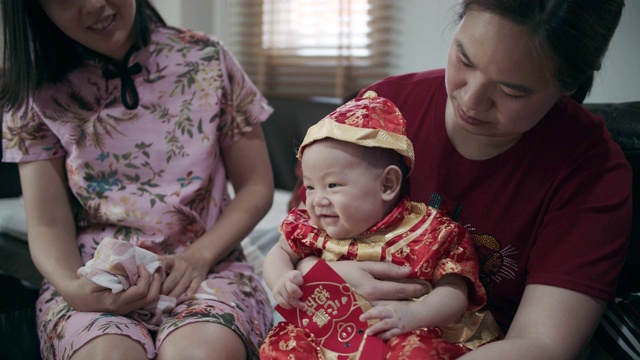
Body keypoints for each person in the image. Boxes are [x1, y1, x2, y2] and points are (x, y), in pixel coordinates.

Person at [291, 1, 633, 359]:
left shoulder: (591, 172)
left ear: (568, 85)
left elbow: (542, 343)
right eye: (464, 60)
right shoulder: (384, 109)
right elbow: (302, 234)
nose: (470, 99)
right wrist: (317, 272)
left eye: (511, 91)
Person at [0, 1, 274, 359]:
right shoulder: (34, 90)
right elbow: (48, 224)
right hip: (92, 276)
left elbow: (256, 186)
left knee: (200, 354)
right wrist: (72, 286)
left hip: (209, 267)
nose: (95, 4)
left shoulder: (206, 58)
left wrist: (198, 258)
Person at [260, 91, 503, 359]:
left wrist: (415, 314)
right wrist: (281, 278)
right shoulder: (311, 227)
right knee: (281, 348)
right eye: (310, 186)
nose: (317, 200)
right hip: (329, 329)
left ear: (387, 184)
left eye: (332, 185)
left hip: (401, 330)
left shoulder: (432, 232)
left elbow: (456, 291)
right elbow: (279, 253)